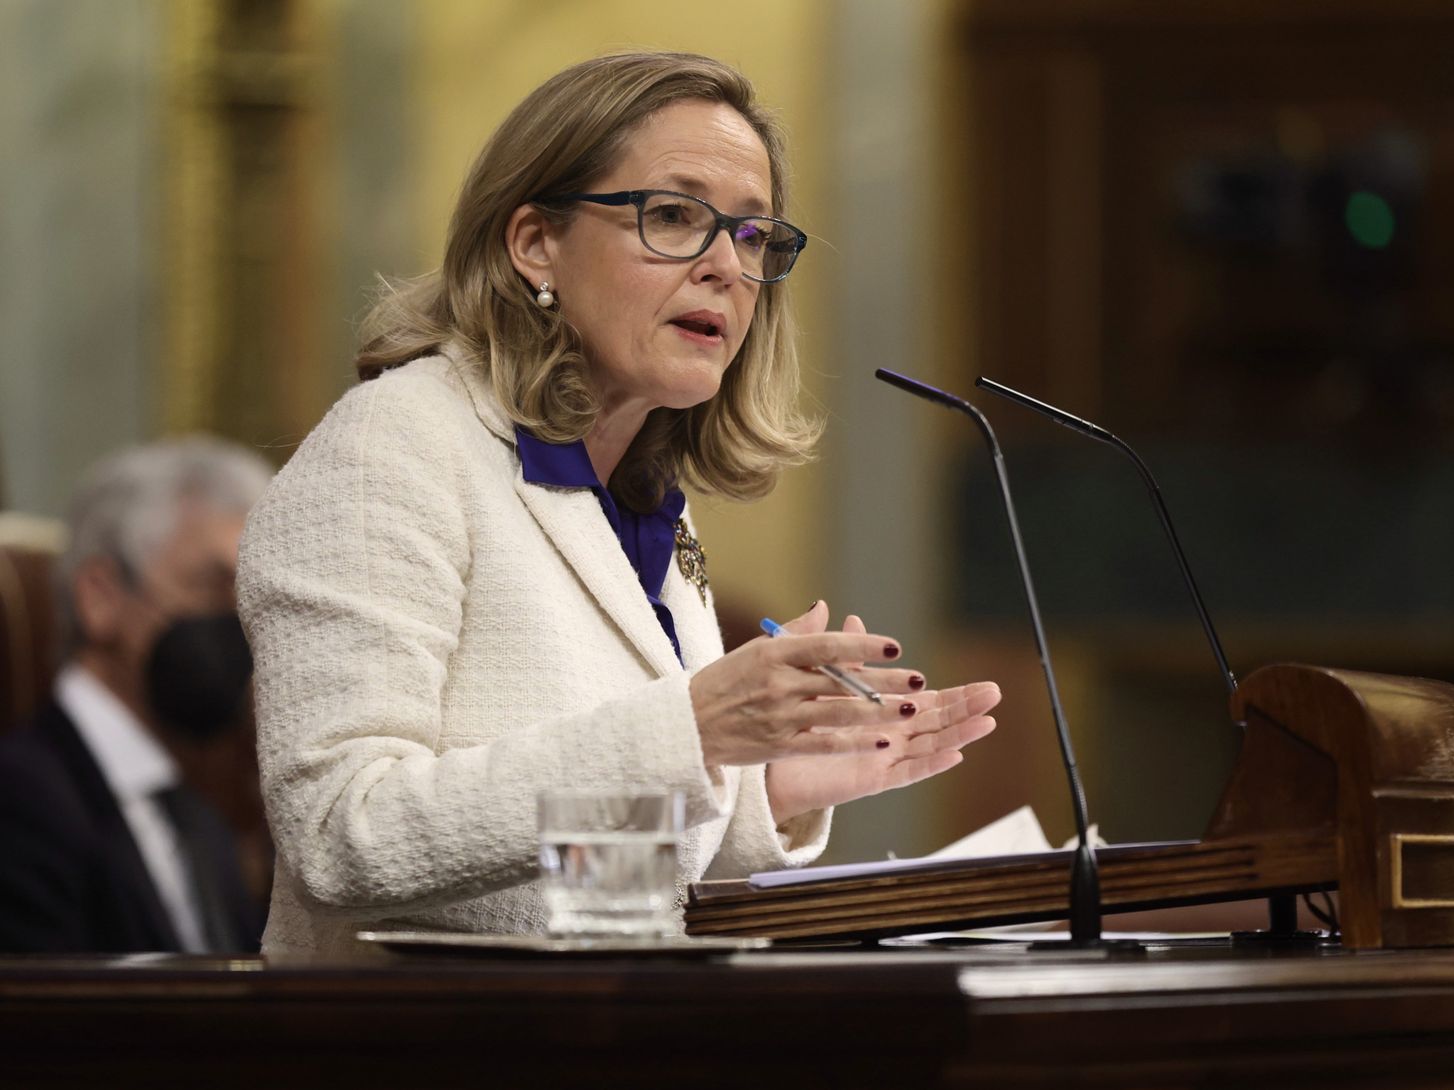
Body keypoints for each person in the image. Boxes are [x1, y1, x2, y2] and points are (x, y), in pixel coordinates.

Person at [236, 50, 1002, 957]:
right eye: (675, 216)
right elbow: (340, 836)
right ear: (534, 244)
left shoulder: (645, 499)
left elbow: (579, 898)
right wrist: (692, 732)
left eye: (753, 235)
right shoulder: (391, 449)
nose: (726, 264)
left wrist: (759, 791)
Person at [0, 437, 272, 953]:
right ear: (100, 596)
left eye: (252, 601)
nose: (240, 628)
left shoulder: (201, 823)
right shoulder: (19, 800)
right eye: (215, 588)